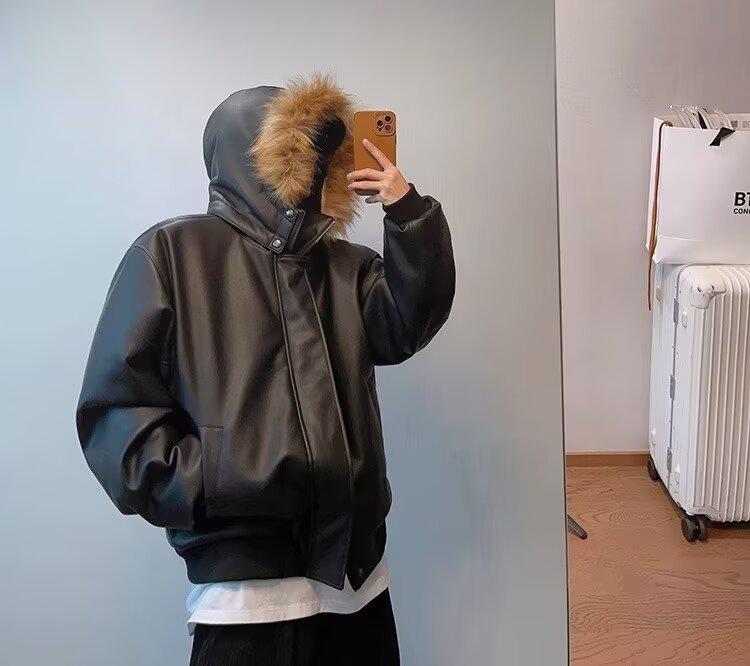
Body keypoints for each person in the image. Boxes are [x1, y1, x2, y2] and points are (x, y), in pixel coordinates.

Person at [76, 74, 455, 665]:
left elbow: (409, 321)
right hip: (245, 603)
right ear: (257, 156)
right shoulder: (173, 254)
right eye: (301, 152)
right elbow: (116, 411)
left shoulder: (346, 267)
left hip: (359, 584)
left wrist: (407, 211)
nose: (314, 169)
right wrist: (214, 478)